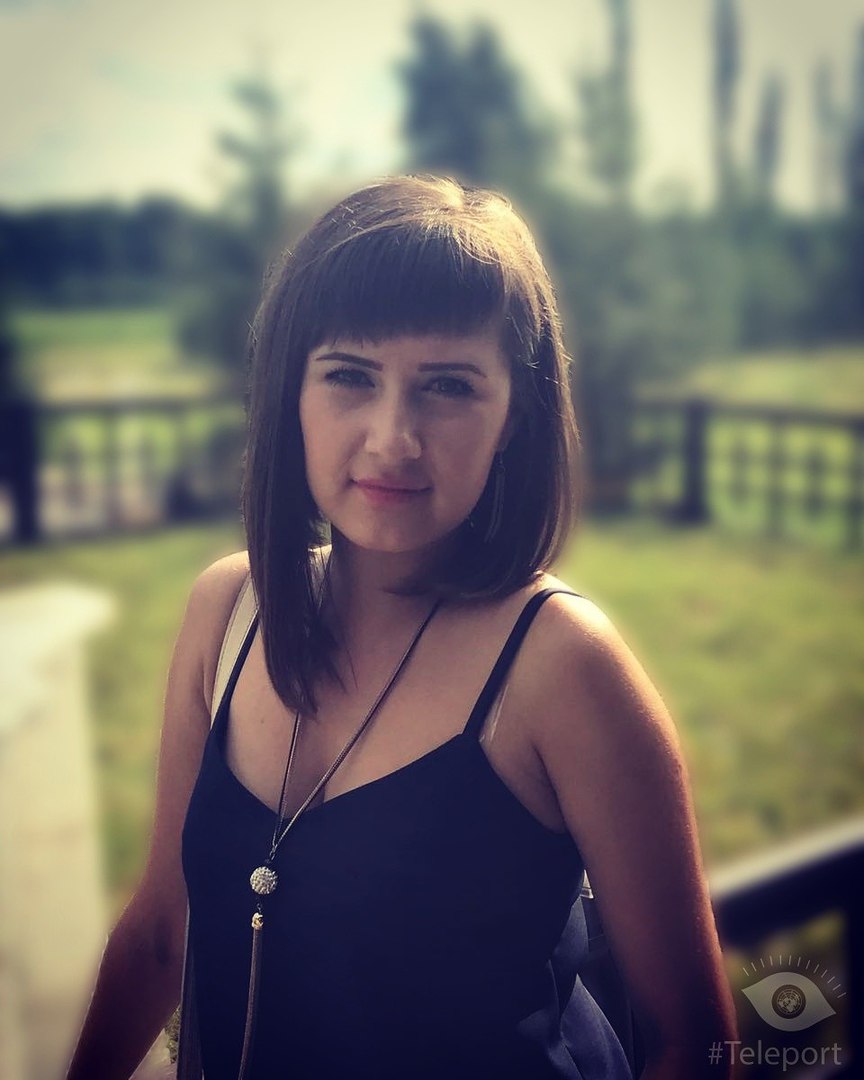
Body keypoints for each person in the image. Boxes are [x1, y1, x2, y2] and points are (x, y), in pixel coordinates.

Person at [66, 174, 737, 1080]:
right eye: (350, 375)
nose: (393, 437)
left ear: (514, 418)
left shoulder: (562, 668)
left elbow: (695, 1044)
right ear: (291, 391)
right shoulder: (227, 610)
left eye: (448, 386)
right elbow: (159, 934)